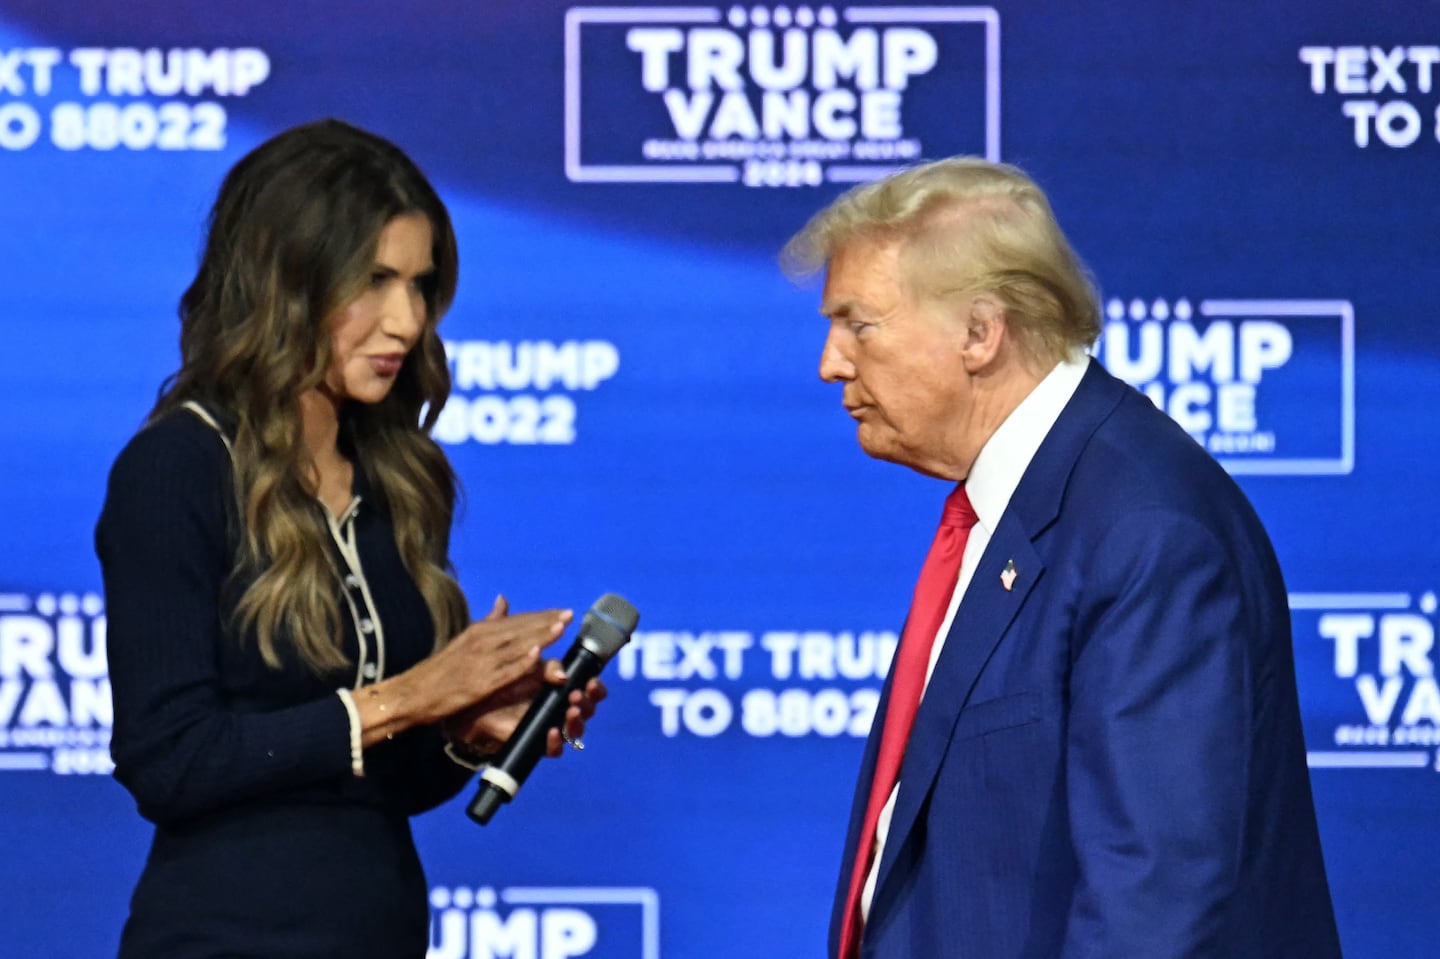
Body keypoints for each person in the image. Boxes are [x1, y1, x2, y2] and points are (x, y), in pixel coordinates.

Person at [782, 157, 1342, 958]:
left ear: (980, 332)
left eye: (858, 324)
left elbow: (1149, 906)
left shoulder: (1146, 531)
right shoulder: (1028, 499)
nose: (831, 362)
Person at [95, 119, 604, 958]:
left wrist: (463, 727)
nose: (407, 320)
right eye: (376, 280)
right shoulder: (177, 467)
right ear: (286, 279)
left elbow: (377, 786)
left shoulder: (393, 472)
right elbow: (170, 760)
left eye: (421, 285)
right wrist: (410, 695)